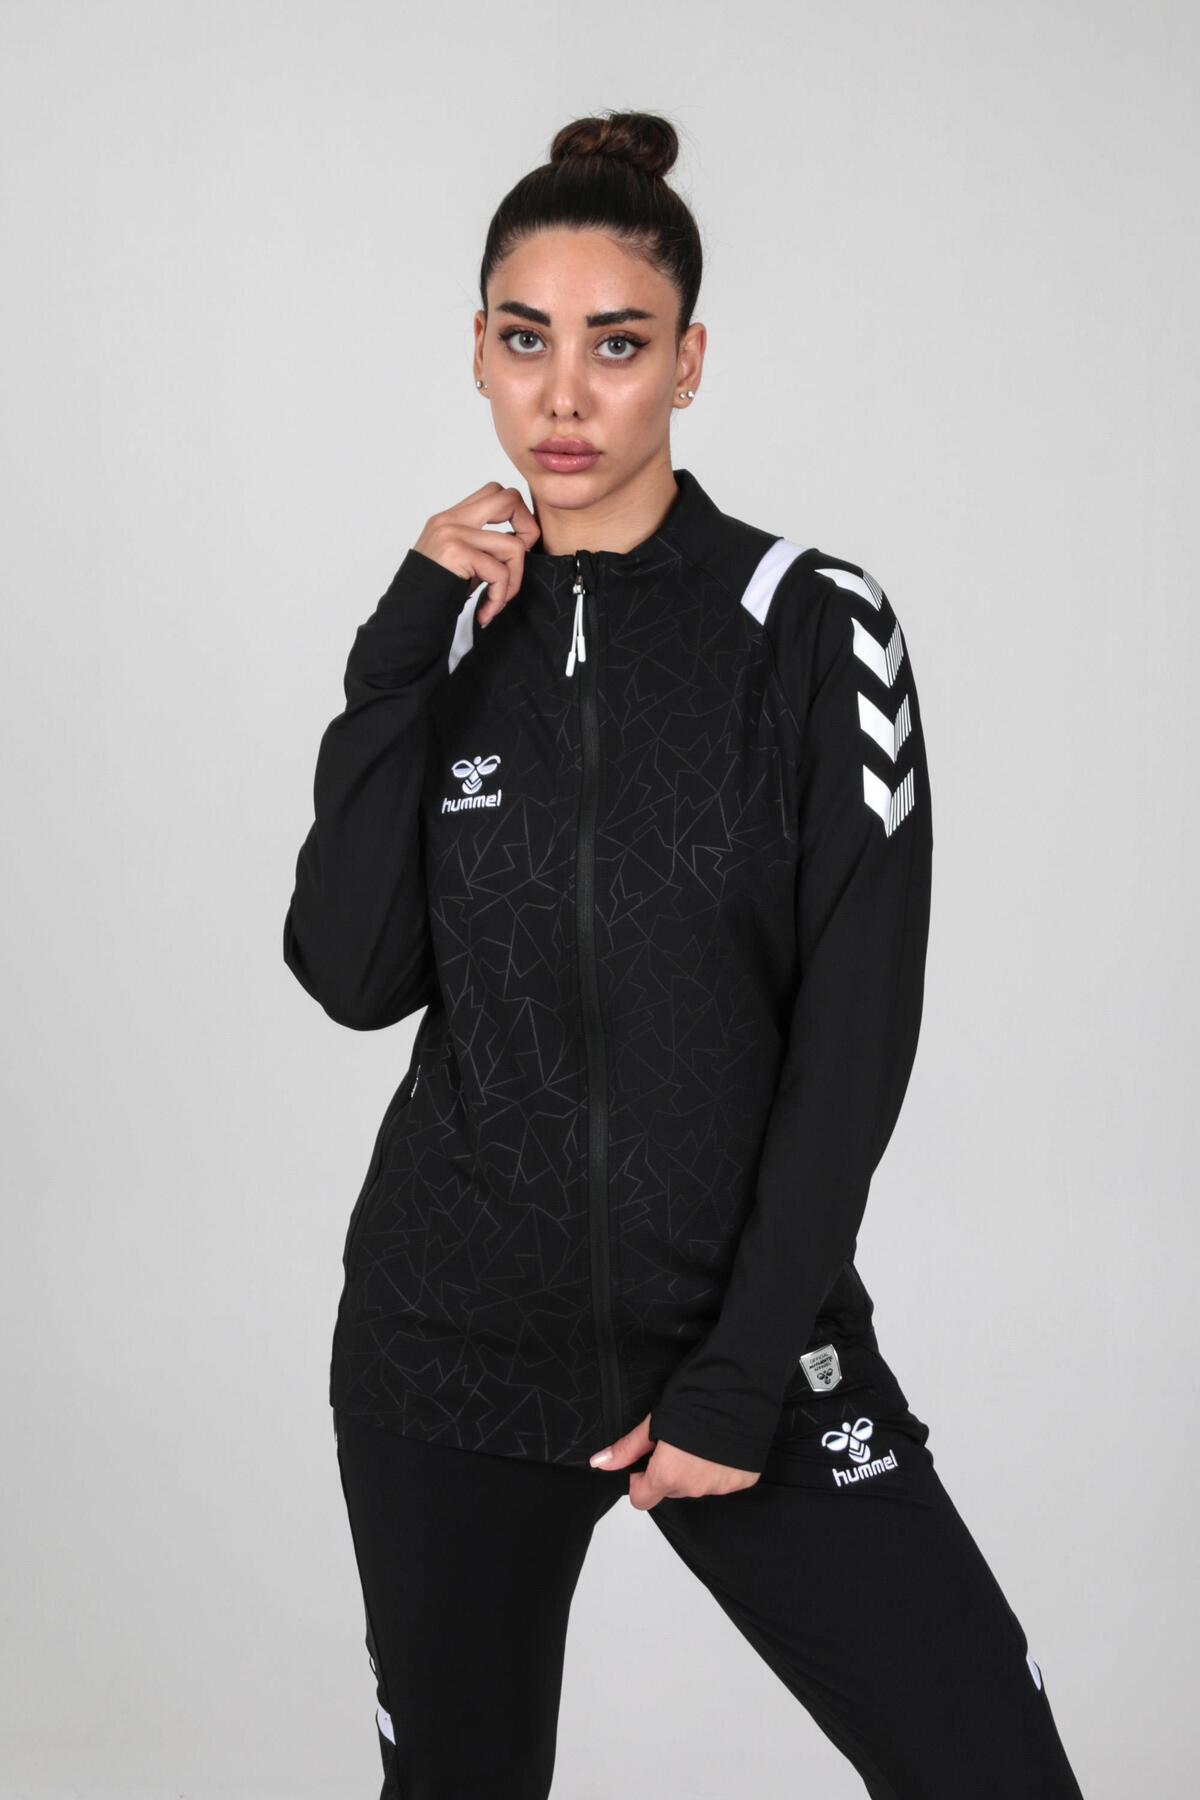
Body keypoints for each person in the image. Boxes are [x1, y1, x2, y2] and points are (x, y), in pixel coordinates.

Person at [283, 109, 1086, 1800]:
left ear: (688, 363)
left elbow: (856, 1034)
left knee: (988, 1768)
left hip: (748, 1338)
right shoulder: (450, 651)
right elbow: (352, 974)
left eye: (618, 344)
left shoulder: (810, 625)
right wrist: (397, 655)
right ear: (479, 355)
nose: (564, 398)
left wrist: (741, 1372)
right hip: (447, 1350)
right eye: (526, 342)